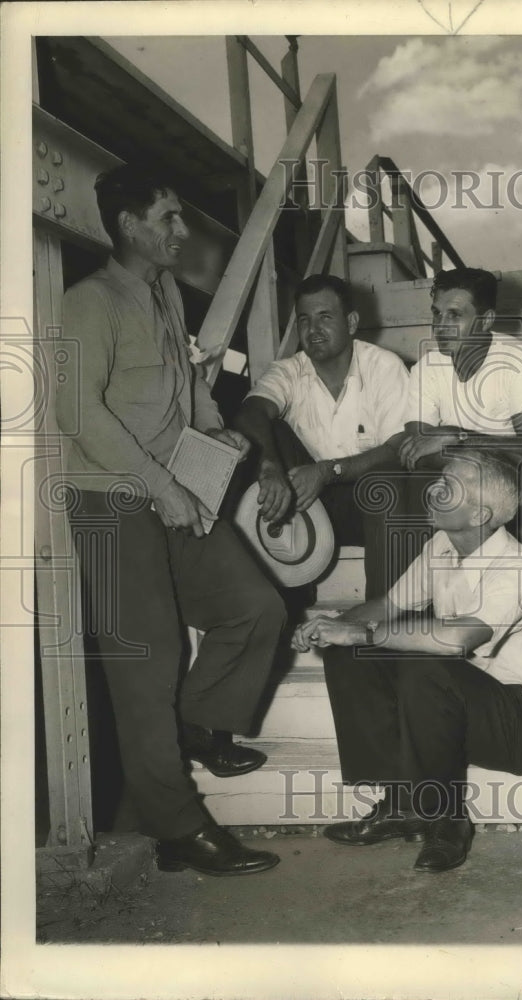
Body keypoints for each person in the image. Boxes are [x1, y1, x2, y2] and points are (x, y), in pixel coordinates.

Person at [56, 163, 285, 875]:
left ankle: (182, 739)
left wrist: (218, 432)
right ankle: (181, 830)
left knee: (256, 608)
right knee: (148, 666)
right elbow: (77, 412)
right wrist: (160, 486)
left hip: (176, 487)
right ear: (128, 226)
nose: (182, 232)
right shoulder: (88, 303)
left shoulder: (162, 295)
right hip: (114, 500)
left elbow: (185, 383)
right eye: (168, 220)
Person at [292, 451, 522, 872]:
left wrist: (359, 631)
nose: (433, 490)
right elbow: (389, 606)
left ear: (479, 514)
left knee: (425, 663)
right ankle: (402, 804)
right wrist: (332, 624)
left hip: (518, 724)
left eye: (448, 488)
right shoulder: (443, 545)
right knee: (352, 654)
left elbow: (457, 642)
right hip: (454, 707)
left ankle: (447, 819)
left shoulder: (519, 568)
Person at [235, 274, 410, 597]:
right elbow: (252, 411)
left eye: (325, 317)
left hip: (371, 505)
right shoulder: (290, 369)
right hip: (309, 505)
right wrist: (270, 466)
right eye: (305, 320)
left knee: (384, 480)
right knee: (268, 431)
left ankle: (381, 622)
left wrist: (327, 471)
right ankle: (287, 602)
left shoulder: (384, 366)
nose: (313, 330)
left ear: (352, 322)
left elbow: (399, 448)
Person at [397, 267, 522, 554]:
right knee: (413, 485)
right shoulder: (426, 368)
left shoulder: (519, 361)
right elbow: (414, 453)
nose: (440, 326)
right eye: (436, 313)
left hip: (508, 485)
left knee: (519, 484)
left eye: (455, 315)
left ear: (486, 320)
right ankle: (413, 593)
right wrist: (502, 454)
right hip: (461, 480)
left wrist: (457, 436)